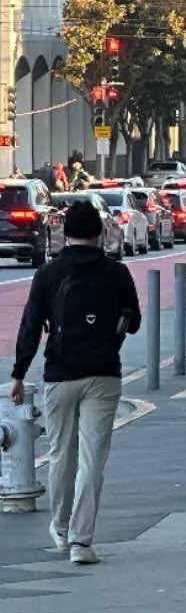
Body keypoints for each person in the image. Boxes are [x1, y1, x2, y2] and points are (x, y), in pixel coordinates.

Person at [9, 197, 141, 564]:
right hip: (103, 374)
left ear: (64, 235)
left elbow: (31, 327)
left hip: (60, 374)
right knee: (91, 460)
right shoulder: (116, 272)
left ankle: (60, 529)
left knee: (59, 455)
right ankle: (82, 542)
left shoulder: (49, 274)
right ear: (99, 234)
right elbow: (134, 322)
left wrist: (19, 374)